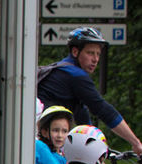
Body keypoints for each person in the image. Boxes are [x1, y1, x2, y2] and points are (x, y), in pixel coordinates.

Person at [37, 27, 142, 156]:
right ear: (75, 52)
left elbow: (83, 118)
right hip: (42, 141)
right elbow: (103, 109)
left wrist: (97, 143)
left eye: (98, 54)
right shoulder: (75, 75)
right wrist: (136, 142)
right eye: (90, 53)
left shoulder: (64, 71)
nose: (95, 59)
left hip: (41, 139)